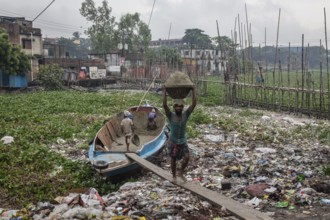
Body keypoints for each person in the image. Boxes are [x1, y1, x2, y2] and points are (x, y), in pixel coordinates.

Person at [163, 86, 197, 182]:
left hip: (182, 140)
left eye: (180, 106)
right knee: (173, 159)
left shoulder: (185, 115)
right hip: (173, 140)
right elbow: (164, 105)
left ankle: (181, 172)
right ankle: (174, 176)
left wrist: (193, 90)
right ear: (174, 107)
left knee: (187, 157)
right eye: (177, 106)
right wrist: (165, 91)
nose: (178, 108)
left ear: (182, 108)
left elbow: (194, 104)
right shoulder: (171, 116)